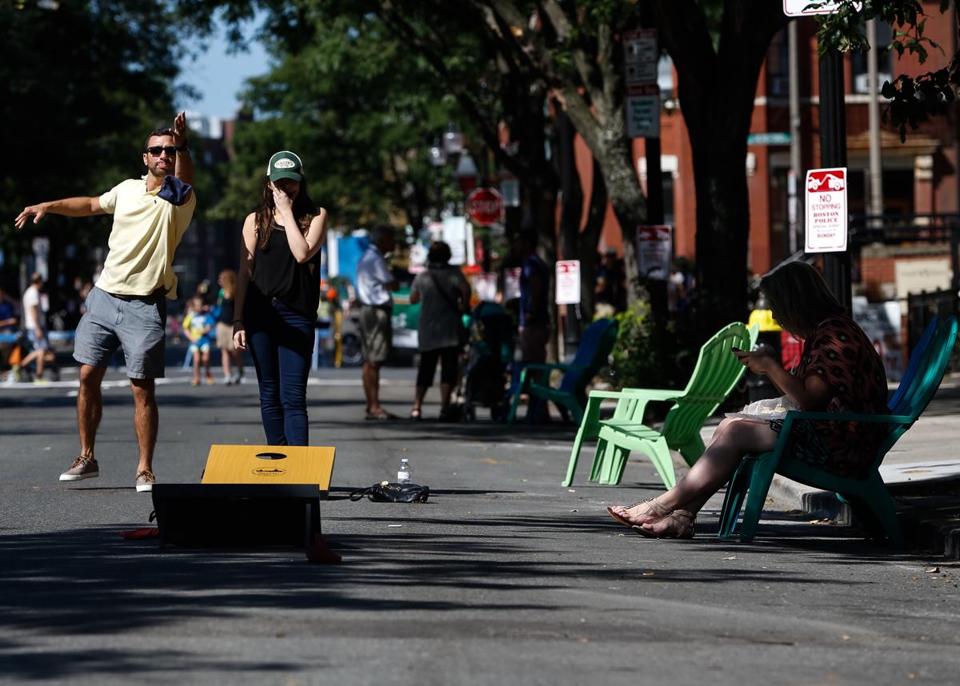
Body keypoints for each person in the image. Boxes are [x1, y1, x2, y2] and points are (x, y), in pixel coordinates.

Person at [607, 261, 888, 538]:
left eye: (776, 306)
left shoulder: (835, 337)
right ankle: (683, 516)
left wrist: (770, 366)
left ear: (795, 304)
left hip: (844, 442)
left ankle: (661, 506)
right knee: (728, 427)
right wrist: (769, 368)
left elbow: (809, 399)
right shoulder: (826, 332)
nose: (775, 316)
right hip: (832, 432)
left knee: (736, 432)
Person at [14, 112, 196, 492]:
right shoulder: (127, 189)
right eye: (156, 150)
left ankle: (144, 468)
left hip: (145, 304)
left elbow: (186, 177)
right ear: (145, 157)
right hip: (104, 297)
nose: (163, 155)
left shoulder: (177, 197)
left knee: (141, 388)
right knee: (86, 376)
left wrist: (183, 144)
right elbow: (90, 205)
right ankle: (87, 456)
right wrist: (48, 205)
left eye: (169, 151)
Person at [233, 151, 327, 446]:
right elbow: (244, 272)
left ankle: (298, 466)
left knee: (293, 396)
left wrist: (286, 213)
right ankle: (279, 458)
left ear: (301, 182)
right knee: (269, 393)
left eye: (292, 182)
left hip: (296, 315)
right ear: (269, 184)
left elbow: (302, 253)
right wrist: (238, 319)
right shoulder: (254, 220)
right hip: (260, 314)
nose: (286, 188)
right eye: (280, 183)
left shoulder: (316, 216)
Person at [409, 241, 471, 421]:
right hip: (450, 328)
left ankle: (417, 407)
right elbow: (466, 290)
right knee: (448, 369)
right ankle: (444, 407)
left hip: (428, 329)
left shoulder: (423, 276)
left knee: (425, 368)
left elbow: (413, 299)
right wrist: (463, 306)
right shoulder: (454, 274)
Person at [356, 225, 398, 420]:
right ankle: (374, 405)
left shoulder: (368, 257)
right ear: (382, 240)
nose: (394, 244)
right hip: (376, 311)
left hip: (368, 310)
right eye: (391, 239)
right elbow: (392, 283)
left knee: (369, 360)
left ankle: (371, 404)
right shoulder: (376, 258)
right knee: (374, 360)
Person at [19, 273, 58, 383]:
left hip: (33, 326)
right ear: (39, 281)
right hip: (35, 326)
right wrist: (37, 328)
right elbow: (33, 311)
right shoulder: (33, 293)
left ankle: (24, 366)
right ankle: (36, 375)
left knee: (42, 351)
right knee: (41, 351)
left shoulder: (30, 292)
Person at [215, 269, 243, 385]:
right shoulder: (221, 293)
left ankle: (239, 370)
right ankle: (227, 374)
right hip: (222, 323)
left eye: (221, 279)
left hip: (233, 324)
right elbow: (218, 306)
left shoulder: (236, 291)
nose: (219, 281)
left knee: (235, 351)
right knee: (224, 350)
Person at [183, 296, 215, 386]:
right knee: (196, 360)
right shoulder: (191, 316)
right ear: (193, 306)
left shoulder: (206, 315)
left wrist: (204, 330)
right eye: (196, 305)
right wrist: (191, 337)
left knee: (205, 359)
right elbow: (185, 328)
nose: (198, 307)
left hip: (204, 340)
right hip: (194, 341)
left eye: (200, 305)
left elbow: (209, 326)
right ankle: (196, 377)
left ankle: (208, 374)